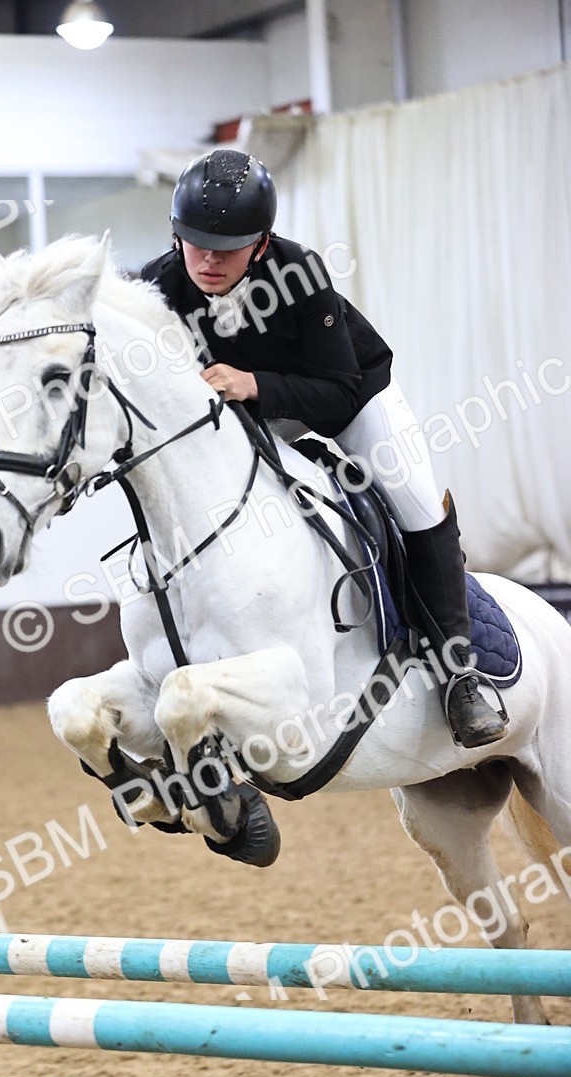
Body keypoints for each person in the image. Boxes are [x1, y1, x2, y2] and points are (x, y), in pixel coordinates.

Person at [141, 149, 506, 749]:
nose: (207, 258)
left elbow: (336, 393)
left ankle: (459, 672)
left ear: (261, 245)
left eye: (228, 246)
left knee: (415, 497)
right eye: (195, 241)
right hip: (248, 412)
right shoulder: (155, 287)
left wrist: (253, 383)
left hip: (349, 395)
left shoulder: (300, 273)